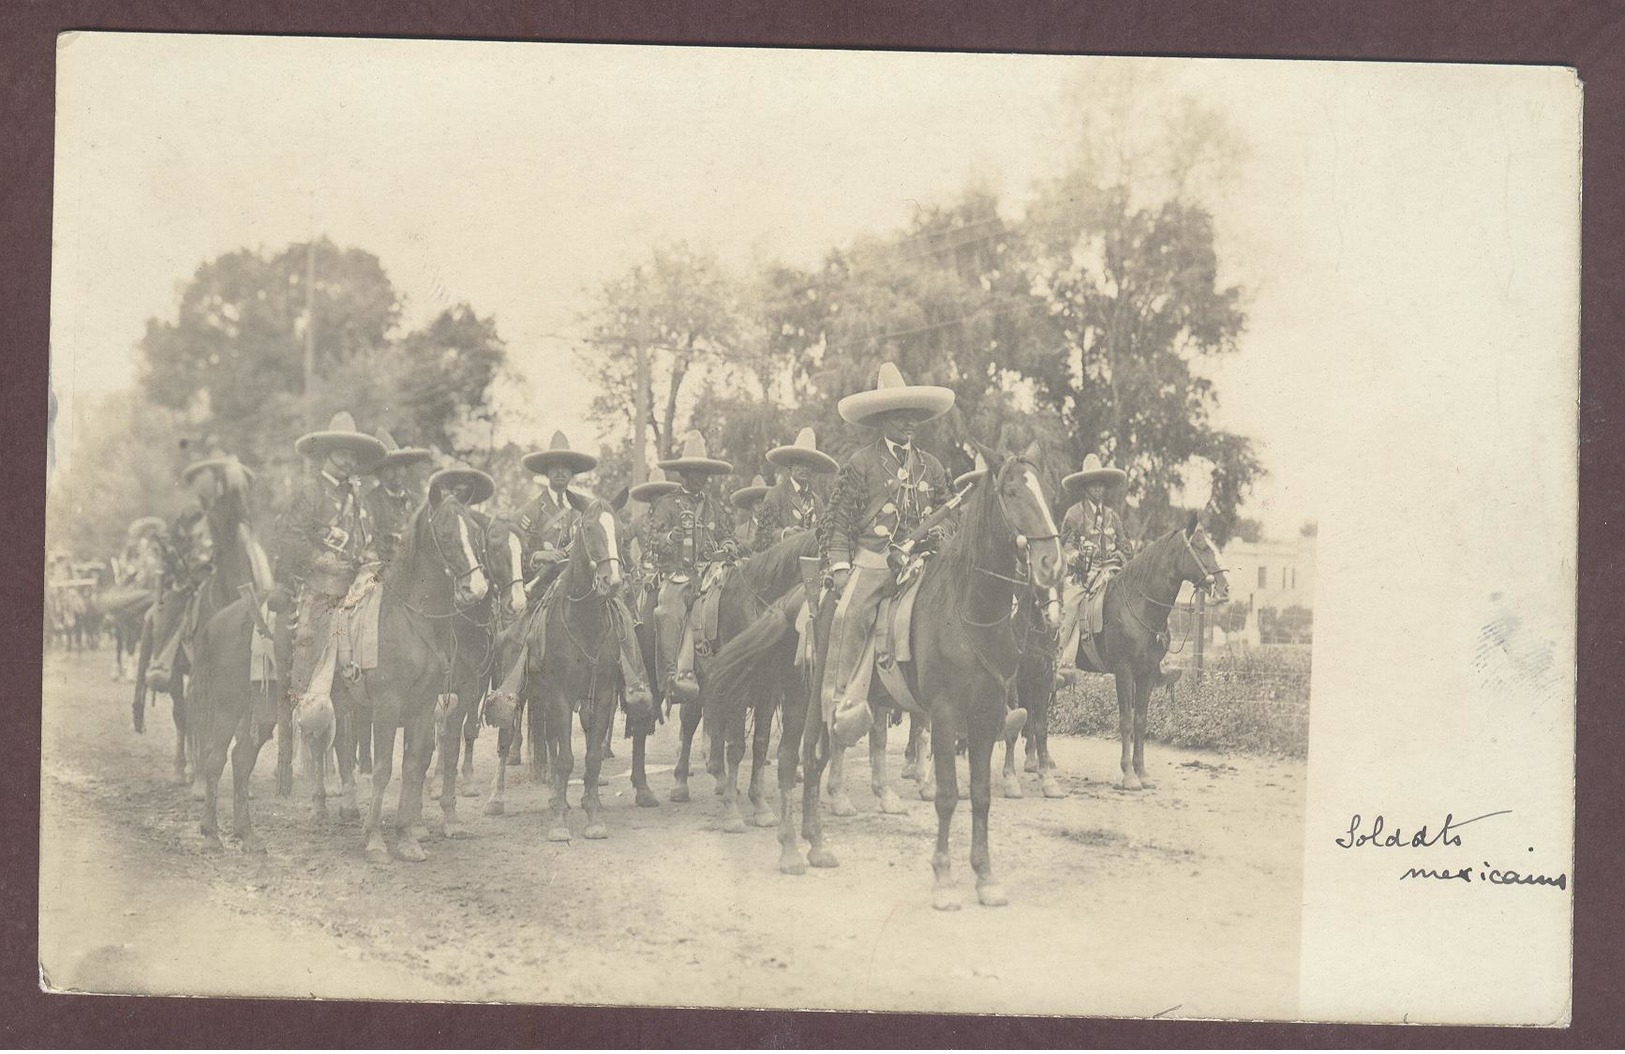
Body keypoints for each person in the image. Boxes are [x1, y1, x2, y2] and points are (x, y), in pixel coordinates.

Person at [820, 362, 954, 747]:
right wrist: (841, 566)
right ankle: (841, 700)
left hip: (925, 559)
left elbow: (949, 511)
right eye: (901, 417)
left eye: (914, 417)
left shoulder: (932, 465)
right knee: (849, 613)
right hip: (875, 558)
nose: (910, 424)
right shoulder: (861, 463)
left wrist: (941, 530)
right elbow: (841, 520)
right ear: (883, 419)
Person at [271, 412, 386, 719]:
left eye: (352, 455)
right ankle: (303, 701)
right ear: (326, 455)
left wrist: (369, 560)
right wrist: (322, 560)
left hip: (355, 584)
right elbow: (289, 536)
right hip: (317, 584)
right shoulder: (309, 491)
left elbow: (366, 537)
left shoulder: (356, 496)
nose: (349, 461)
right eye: (342, 453)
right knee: (310, 637)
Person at [643, 430, 738, 704]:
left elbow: (725, 534)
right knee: (670, 611)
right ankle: (672, 673)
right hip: (679, 575)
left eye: (703, 473)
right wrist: (671, 537)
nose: (700, 478)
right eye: (694, 472)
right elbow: (653, 540)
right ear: (684, 474)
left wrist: (729, 544)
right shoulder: (667, 503)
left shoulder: (714, 506)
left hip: (710, 574)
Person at [1054, 453, 1130, 684]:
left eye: (1101, 485)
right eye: (1092, 485)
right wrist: (1079, 557)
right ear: (1085, 488)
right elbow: (1065, 545)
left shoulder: (1113, 516)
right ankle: (1060, 659)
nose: (1098, 490)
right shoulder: (1074, 514)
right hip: (1084, 574)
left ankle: (1153, 655)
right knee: (1068, 603)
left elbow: (1126, 545)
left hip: (1113, 570)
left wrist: (1121, 554)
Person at [514, 431, 598, 589]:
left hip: (581, 587)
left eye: (566, 467)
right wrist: (540, 556)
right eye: (555, 466)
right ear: (547, 471)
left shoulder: (586, 507)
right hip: (543, 587)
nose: (561, 471)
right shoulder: (530, 511)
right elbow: (516, 554)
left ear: (572, 473)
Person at [753, 426, 837, 552]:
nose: (804, 468)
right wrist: (785, 534)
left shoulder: (817, 501)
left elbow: (826, 533)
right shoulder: (776, 494)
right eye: (799, 463)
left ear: (813, 469)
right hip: (782, 561)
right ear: (790, 466)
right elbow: (763, 533)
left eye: (809, 465)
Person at [363, 430, 432, 565]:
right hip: (382, 565)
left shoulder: (417, 502)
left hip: (415, 566)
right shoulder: (369, 502)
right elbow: (368, 541)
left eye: (400, 467)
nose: (397, 473)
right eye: (389, 469)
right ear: (379, 473)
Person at [729, 475, 770, 550]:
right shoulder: (740, 532)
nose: (760, 506)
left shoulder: (775, 529)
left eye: (763, 502)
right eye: (757, 502)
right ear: (750, 506)